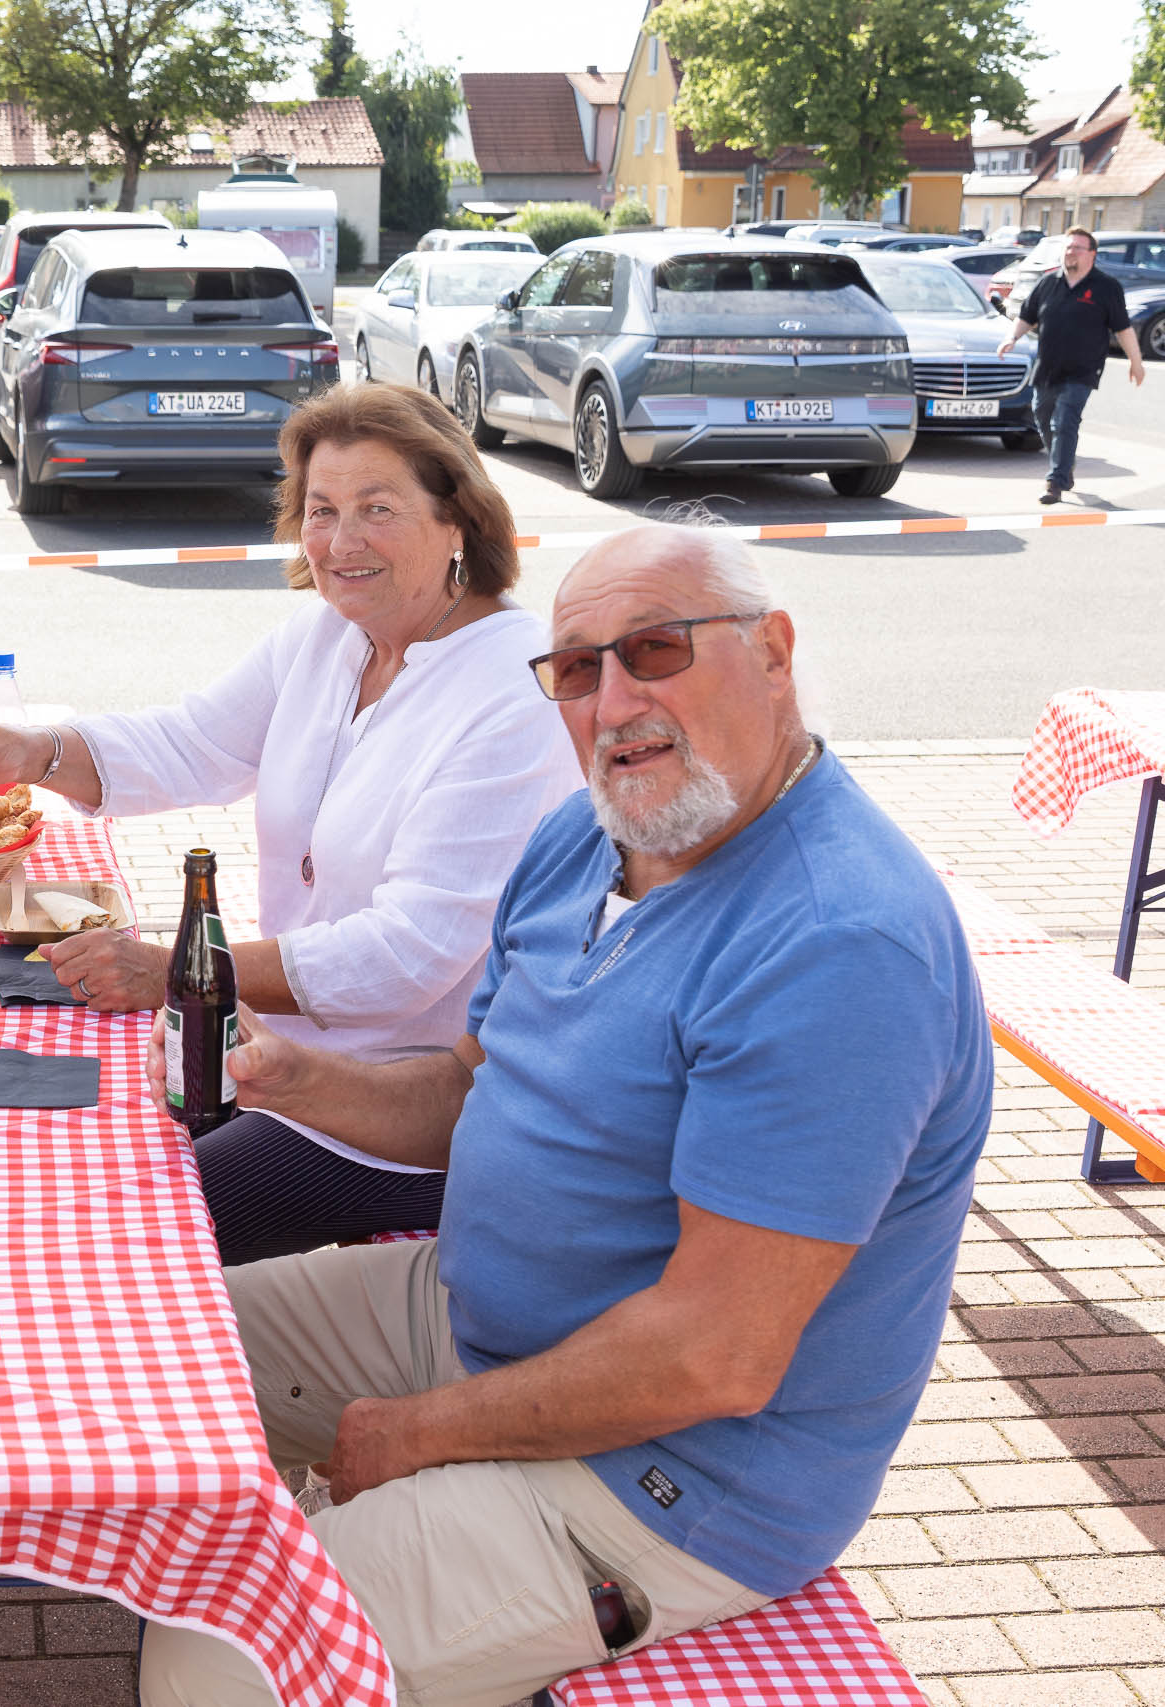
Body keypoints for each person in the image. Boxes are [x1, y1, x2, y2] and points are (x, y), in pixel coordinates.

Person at [136, 524, 992, 1707]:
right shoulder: (584, 840)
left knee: (224, 1662)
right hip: (476, 1310)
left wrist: (422, 1435)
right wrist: (278, 1074)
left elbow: (715, 1355)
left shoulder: (837, 944)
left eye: (654, 649)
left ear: (775, 651)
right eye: (577, 670)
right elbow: (467, 1091)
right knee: (144, 1356)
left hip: (671, 1477)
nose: (615, 699)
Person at [0, 384, 580, 1261]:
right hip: (273, 1059)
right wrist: (36, 751)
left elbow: (406, 954)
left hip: (391, 1114)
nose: (341, 541)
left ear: (457, 520)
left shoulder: (513, 689)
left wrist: (183, 969)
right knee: (42, 1146)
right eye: (321, 510)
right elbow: (192, 740)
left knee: (120, 1225)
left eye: (377, 509)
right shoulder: (330, 636)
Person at [998, 225, 1146, 505]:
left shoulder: (1106, 287)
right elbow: (1027, 316)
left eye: (1077, 248)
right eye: (1067, 247)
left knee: (1065, 420)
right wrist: (1011, 338)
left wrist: (1136, 362)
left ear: (1092, 254)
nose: (1070, 252)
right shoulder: (1048, 282)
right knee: (1042, 417)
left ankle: (1055, 480)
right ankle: (1064, 463)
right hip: (1048, 366)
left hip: (1083, 369)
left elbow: (1123, 328)